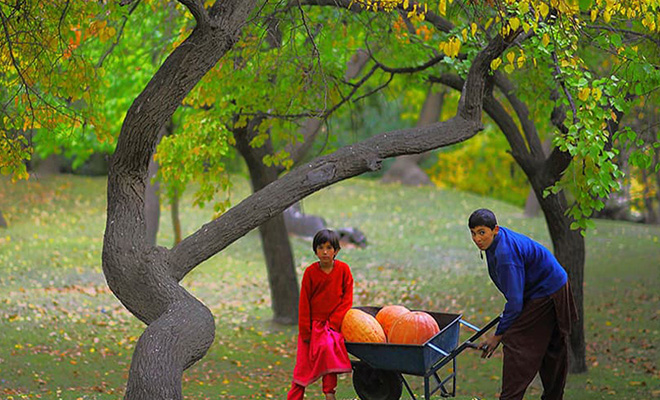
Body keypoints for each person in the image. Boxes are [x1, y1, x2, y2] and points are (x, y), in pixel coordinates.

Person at [468, 208, 577, 400]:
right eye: (473, 233)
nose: (477, 239)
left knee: (516, 341)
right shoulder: (497, 242)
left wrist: (497, 336)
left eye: (482, 232)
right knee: (551, 346)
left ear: (495, 229)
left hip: (548, 291)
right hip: (543, 288)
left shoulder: (505, 255)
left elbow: (515, 302)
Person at [287, 229, 354, 400]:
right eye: (321, 248)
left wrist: (334, 323)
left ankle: (329, 393)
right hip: (311, 326)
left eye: (329, 248)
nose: (325, 252)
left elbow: (347, 299)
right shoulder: (310, 273)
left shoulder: (343, 270)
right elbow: (304, 303)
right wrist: (306, 331)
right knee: (302, 367)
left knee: (328, 351)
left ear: (336, 251)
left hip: (332, 326)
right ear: (315, 251)